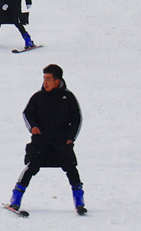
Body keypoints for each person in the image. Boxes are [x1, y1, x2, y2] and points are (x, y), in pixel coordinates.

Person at [7, 64, 85, 215]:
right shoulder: (38, 97)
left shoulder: (68, 97)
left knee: (71, 169)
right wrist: (33, 127)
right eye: (44, 78)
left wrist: (71, 138)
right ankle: (15, 200)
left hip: (61, 142)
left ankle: (79, 202)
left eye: (48, 79)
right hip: (41, 142)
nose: (45, 82)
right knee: (31, 168)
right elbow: (27, 114)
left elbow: (77, 119)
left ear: (57, 81)